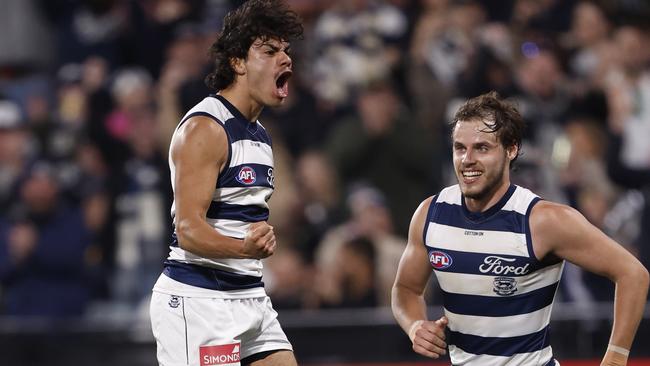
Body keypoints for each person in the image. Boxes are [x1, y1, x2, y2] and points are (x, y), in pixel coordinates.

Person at [391, 91, 649, 365]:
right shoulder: (431, 214)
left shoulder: (543, 220)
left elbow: (633, 274)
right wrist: (415, 325)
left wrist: (615, 359)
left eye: (482, 147)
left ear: (511, 149)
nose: (467, 159)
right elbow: (406, 288)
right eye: (459, 147)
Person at [149, 1, 303, 365]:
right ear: (237, 62)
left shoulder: (261, 136)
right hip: (200, 300)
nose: (285, 60)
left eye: (286, 51)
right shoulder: (205, 128)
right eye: (269, 51)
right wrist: (245, 248)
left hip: (249, 296)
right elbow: (188, 230)